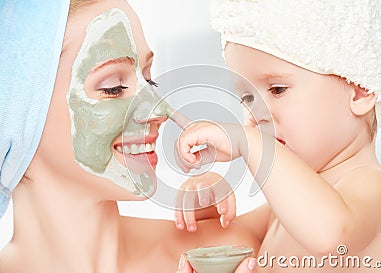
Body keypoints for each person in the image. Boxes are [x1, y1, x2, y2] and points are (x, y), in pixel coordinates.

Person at [0, 0, 259, 272]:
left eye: (149, 80)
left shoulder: (215, 255)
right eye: (114, 87)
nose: (159, 110)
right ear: (17, 110)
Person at [174, 0, 381, 272]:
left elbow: (331, 235)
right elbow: (220, 242)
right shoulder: (278, 214)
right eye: (247, 96)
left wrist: (249, 141)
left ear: (360, 91)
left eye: (278, 89)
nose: (255, 114)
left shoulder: (373, 187)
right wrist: (208, 206)